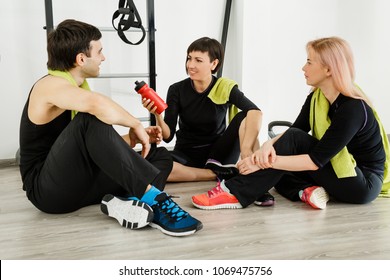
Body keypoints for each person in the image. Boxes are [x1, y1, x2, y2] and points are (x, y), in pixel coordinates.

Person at [18, 19, 202, 237]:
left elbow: (93, 150)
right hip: (48, 191)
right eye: (99, 52)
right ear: (81, 58)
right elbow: (96, 105)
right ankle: (156, 201)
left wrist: (131, 139)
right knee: (89, 119)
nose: (103, 58)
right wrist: (136, 123)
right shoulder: (49, 86)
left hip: (78, 184)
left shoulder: (74, 89)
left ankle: (123, 203)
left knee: (158, 155)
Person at [192, 36, 389, 210]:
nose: (303, 68)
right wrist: (266, 147)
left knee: (280, 160)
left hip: (361, 183)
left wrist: (259, 163)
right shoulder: (317, 98)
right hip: (334, 170)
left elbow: (314, 160)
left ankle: (234, 192)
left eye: (309, 62)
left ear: (328, 69)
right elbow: (297, 129)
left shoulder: (352, 108)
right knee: (280, 168)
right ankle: (307, 192)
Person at [142, 37, 274, 206]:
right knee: (151, 164)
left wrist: (247, 152)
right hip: (186, 155)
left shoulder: (224, 87)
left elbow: (256, 112)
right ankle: (218, 174)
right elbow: (167, 137)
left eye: (198, 60)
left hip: (219, 153)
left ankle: (253, 182)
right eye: (189, 58)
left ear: (214, 64)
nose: (190, 65)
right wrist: (157, 115)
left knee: (245, 116)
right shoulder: (177, 89)